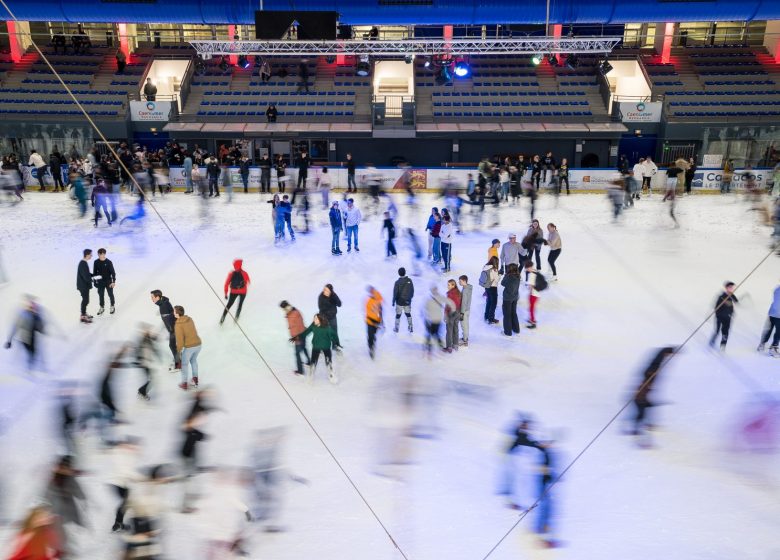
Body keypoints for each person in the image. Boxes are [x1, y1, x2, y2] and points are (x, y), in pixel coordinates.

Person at [630, 347, 676, 444]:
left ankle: (639, 428)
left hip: (643, 394)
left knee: (643, 413)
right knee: (641, 414)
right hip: (641, 397)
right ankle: (637, 430)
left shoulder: (653, 370)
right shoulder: (649, 374)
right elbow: (650, 370)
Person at [4, 294, 46, 372]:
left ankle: (30, 368)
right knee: (30, 353)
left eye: (34, 307)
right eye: (31, 307)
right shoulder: (23, 315)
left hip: (32, 339)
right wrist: (9, 340)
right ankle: (26, 369)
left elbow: (40, 328)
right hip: (25, 339)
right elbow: (15, 327)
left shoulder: (36, 316)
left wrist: (41, 328)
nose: (33, 309)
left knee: (33, 353)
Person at [297, 313, 337, 383]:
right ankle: (311, 374)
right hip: (317, 346)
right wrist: (299, 336)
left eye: (315, 319)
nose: (314, 320)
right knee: (314, 361)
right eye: (314, 318)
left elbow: (334, 336)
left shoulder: (327, 328)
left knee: (327, 361)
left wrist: (336, 342)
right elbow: (307, 331)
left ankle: (331, 374)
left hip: (325, 347)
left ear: (320, 320)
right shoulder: (315, 325)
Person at [174, 305, 202, 390]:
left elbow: (180, 340)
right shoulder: (190, 319)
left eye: (174, 311)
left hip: (190, 347)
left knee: (184, 364)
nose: (173, 313)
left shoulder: (178, 324)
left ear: (177, 313)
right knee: (193, 361)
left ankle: (184, 383)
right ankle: (195, 379)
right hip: (198, 344)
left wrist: (178, 352)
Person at [151, 290, 179, 371]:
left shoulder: (163, 306)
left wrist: (171, 332)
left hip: (174, 329)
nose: (151, 299)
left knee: (172, 345)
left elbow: (168, 320)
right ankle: (178, 357)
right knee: (174, 345)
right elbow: (169, 313)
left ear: (158, 297)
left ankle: (178, 365)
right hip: (174, 327)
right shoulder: (164, 302)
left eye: (152, 297)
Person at [280, 301, 310, 375]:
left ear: (286, 307)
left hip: (299, 336)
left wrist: (297, 337)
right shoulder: (291, 312)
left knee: (297, 353)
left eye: (283, 308)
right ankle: (309, 362)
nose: (283, 310)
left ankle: (300, 371)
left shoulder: (294, 314)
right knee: (303, 348)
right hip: (300, 334)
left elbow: (299, 326)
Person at [708, 282, 739, 351]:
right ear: (726, 288)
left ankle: (723, 345)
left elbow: (736, 301)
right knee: (717, 330)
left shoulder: (732, 295)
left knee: (725, 332)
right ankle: (712, 341)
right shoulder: (721, 296)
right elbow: (716, 307)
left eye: (732, 287)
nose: (731, 289)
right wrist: (717, 313)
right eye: (730, 287)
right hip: (720, 317)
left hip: (728, 317)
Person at [221, 259, 251, 325]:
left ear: (234, 265)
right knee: (240, 304)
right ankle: (236, 318)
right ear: (241, 265)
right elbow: (248, 281)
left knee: (229, 305)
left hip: (233, 292)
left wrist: (226, 293)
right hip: (243, 292)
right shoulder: (244, 273)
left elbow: (226, 284)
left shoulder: (231, 273)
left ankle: (222, 318)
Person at [423, 287, 449, 355]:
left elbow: (426, 310)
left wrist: (427, 319)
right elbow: (449, 302)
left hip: (432, 320)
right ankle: (439, 347)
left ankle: (429, 348)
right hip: (437, 320)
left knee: (431, 334)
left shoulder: (429, 300)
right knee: (436, 334)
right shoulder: (440, 298)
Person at [317, 284, 343, 351]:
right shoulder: (321, 297)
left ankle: (335, 346)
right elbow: (321, 308)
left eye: (327, 290)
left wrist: (334, 297)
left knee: (334, 332)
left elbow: (339, 304)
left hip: (333, 317)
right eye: (325, 289)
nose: (325, 291)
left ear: (330, 291)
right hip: (324, 318)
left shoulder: (333, 295)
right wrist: (329, 302)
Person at [757, 282, 780, 356]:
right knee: (778, 332)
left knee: (769, 329)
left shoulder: (777, 289)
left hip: (772, 312)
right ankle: (773, 348)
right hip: (778, 315)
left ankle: (762, 344)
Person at [93, 248, 117, 316]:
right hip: (100, 282)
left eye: (103, 254)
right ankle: (102, 307)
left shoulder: (109, 262)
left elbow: (113, 273)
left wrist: (113, 281)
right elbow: (94, 273)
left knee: (110, 294)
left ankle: (112, 306)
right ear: (98, 254)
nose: (102, 255)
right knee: (101, 295)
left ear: (105, 254)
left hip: (108, 281)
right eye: (100, 254)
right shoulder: (96, 262)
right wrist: (95, 282)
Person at [392, 267, 414, 333]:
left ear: (399, 273)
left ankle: (396, 328)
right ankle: (410, 327)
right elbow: (412, 291)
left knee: (398, 315)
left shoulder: (397, 282)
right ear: (405, 272)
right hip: (407, 302)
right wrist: (410, 298)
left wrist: (393, 301)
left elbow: (395, 293)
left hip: (399, 302)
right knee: (408, 314)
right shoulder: (409, 280)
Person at [501, 263, 521, 336]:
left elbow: (502, 283)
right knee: (513, 313)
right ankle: (516, 329)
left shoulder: (509, 277)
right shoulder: (518, 276)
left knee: (507, 315)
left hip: (507, 298)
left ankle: (507, 332)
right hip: (515, 297)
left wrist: (505, 276)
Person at [524, 260, 545, 329]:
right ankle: (531, 319)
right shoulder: (536, 271)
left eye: (526, 268)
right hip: (537, 293)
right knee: (532, 308)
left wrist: (530, 292)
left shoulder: (531, 274)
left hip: (533, 294)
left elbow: (531, 286)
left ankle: (533, 322)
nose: (526, 269)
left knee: (531, 308)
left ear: (528, 267)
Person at [481, 256, 500, 325]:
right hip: (493, 287)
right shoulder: (494, 269)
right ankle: (491, 318)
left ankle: (486, 316)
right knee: (493, 303)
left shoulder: (485, 266)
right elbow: (496, 280)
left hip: (486, 287)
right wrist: (499, 274)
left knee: (489, 301)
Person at [444, 279, 461, 353]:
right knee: (455, 329)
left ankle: (449, 347)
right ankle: (455, 345)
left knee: (449, 330)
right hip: (457, 312)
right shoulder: (458, 292)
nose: (447, 286)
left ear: (453, 285)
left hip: (451, 313)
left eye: (449, 285)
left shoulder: (450, 293)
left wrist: (445, 314)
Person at [365, 286, 383, 359]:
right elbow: (368, 311)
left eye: (372, 291)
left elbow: (380, 311)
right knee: (370, 336)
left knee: (372, 336)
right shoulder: (369, 300)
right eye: (370, 291)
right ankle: (371, 348)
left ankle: (372, 346)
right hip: (369, 322)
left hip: (376, 322)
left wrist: (380, 321)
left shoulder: (377, 298)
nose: (371, 292)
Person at [77, 249, 94, 324]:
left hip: (84, 285)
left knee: (86, 300)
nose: (91, 256)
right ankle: (83, 316)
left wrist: (93, 275)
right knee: (85, 300)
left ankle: (84, 314)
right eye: (91, 254)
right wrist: (93, 279)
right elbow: (86, 277)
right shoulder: (83, 263)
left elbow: (87, 274)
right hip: (83, 286)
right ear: (87, 255)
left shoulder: (83, 263)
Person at [458, 275, 472, 347]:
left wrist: (462, 313)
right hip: (467, 309)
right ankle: (465, 338)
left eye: (460, 281)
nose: (459, 282)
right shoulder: (468, 287)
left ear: (464, 281)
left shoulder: (465, 290)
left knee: (464, 326)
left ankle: (465, 341)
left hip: (464, 310)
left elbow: (464, 302)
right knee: (466, 325)